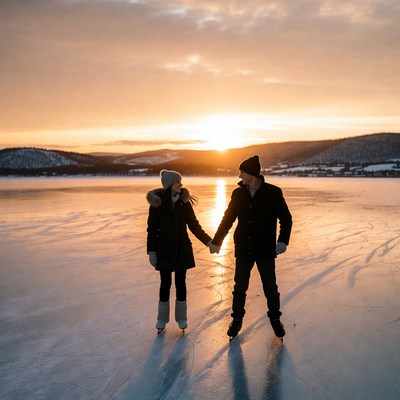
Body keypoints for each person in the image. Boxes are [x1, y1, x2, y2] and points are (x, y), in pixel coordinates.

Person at [211, 155, 292, 340]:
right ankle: (237, 319)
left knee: (270, 287)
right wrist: (217, 241)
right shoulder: (238, 194)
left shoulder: (273, 192)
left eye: (242, 172)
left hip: (265, 250)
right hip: (244, 249)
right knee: (240, 287)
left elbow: (286, 219)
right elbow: (228, 218)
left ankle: (275, 319)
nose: (239, 175)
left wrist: (283, 241)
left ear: (252, 173)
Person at [146, 169, 218, 334]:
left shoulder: (184, 204)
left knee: (181, 283)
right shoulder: (157, 205)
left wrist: (209, 242)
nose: (181, 184)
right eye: (178, 181)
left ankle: (181, 318)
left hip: (182, 249)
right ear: (170, 184)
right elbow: (152, 230)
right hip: (164, 249)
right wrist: (152, 251)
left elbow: (194, 226)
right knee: (165, 284)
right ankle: (162, 319)